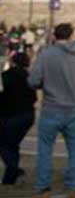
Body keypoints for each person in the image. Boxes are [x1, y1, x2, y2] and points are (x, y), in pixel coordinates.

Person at [30, 24, 75, 198]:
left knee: (45, 150)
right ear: (72, 35)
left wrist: (44, 85)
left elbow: (34, 80)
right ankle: (73, 187)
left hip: (51, 107)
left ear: (55, 36)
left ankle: (43, 189)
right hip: (74, 107)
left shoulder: (46, 55)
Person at [0, 51, 36, 185]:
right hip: (27, 115)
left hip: (9, 115)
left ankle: (13, 171)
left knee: (5, 144)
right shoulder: (29, 77)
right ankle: (11, 175)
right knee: (12, 144)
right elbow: (34, 98)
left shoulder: (6, 76)